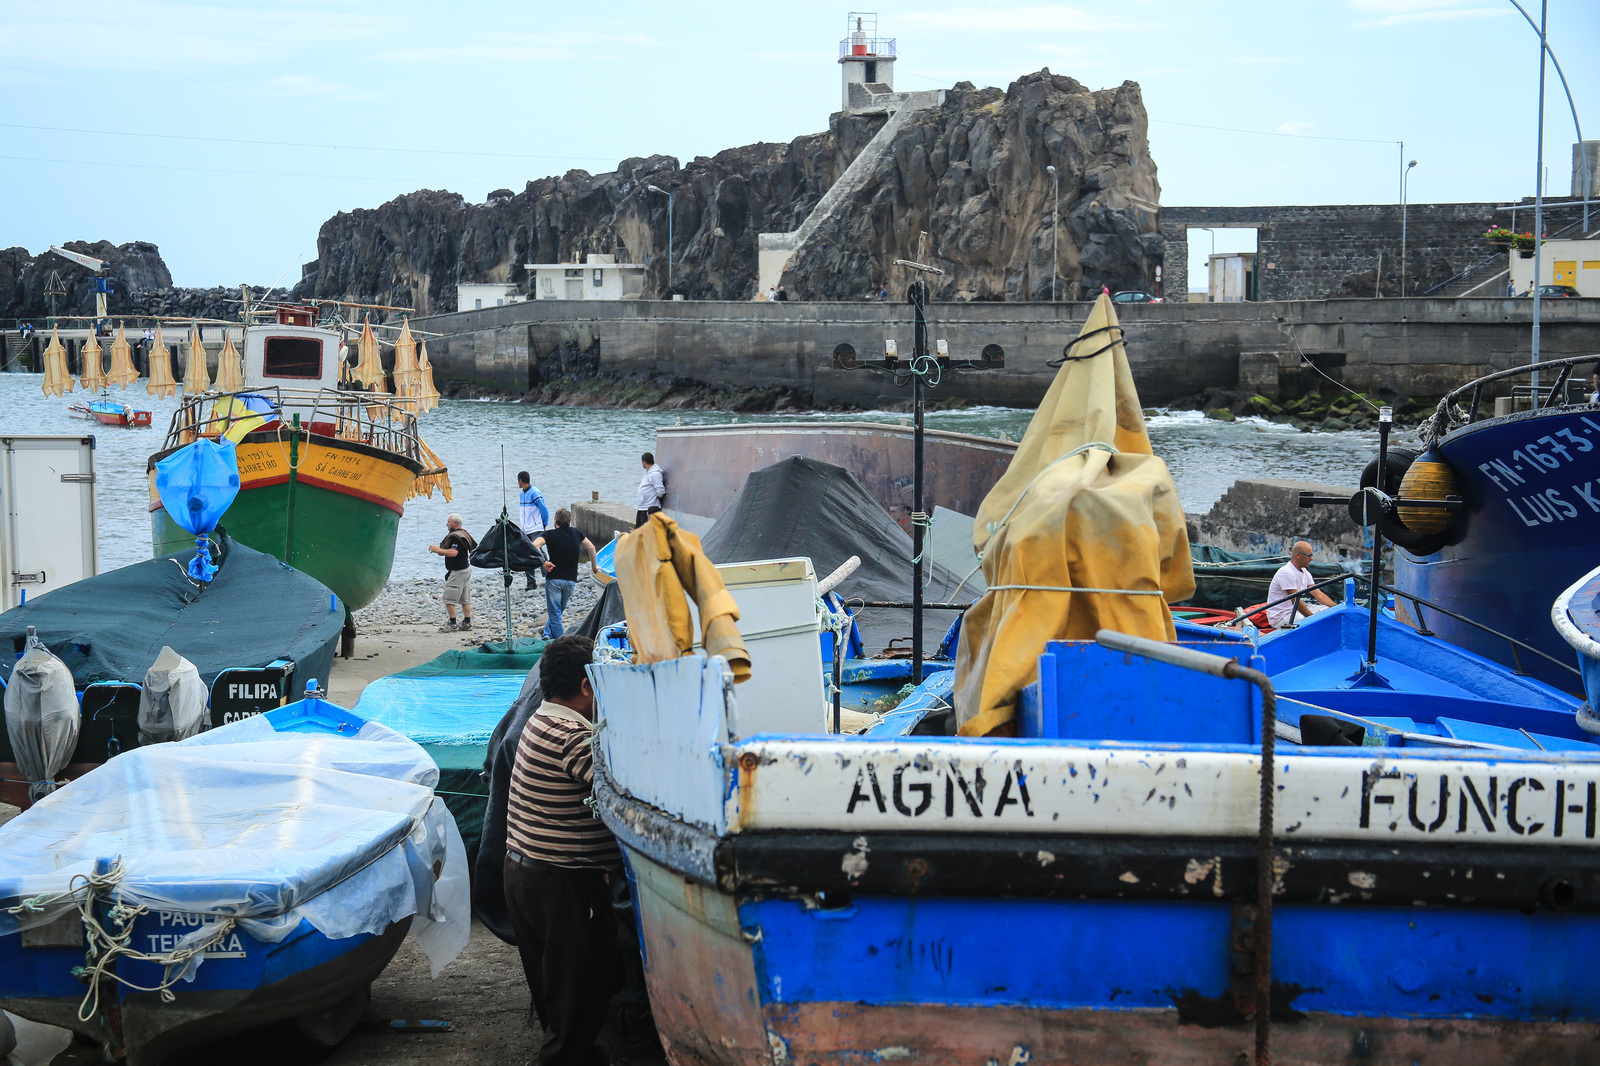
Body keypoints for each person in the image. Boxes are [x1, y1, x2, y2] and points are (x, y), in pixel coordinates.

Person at [503, 634, 621, 1066]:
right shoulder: (571, 734)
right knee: (578, 1005)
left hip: (524, 876)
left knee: (559, 1001)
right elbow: (624, 791)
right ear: (588, 686)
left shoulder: (539, 720)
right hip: (563, 886)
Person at [531, 510, 600, 640]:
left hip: (554, 580)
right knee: (557, 613)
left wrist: (543, 562)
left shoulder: (550, 534)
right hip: (570, 581)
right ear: (569, 521)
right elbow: (591, 548)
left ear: (555, 521)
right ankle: (546, 634)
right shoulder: (576, 533)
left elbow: (535, 545)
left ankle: (560, 642)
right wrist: (594, 567)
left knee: (555, 614)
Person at [1265, 541, 1335, 628]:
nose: (1311, 559)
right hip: (1281, 616)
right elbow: (1295, 601)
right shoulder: (1287, 572)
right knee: (1304, 621)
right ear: (1298, 555)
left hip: (1294, 611)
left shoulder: (1305, 572)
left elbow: (1318, 594)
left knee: (1327, 611)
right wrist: (1312, 619)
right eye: (1309, 555)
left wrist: (1337, 608)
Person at [428, 513, 477, 631]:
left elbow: (453, 553)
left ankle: (452, 623)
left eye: (448, 522)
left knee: (449, 598)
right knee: (465, 598)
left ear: (455, 523)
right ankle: (467, 622)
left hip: (458, 571)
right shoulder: (463, 533)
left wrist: (437, 550)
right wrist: (441, 551)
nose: (447, 524)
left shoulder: (456, 537)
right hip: (466, 569)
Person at [517, 471, 551, 590]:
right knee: (526, 554)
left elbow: (544, 509)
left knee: (538, 551)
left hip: (536, 528)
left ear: (520, 480)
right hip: (526, 529)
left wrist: (544, 524)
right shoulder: (522, 494)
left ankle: (548, 575)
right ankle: (531, 582)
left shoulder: (535, 493)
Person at [635, 452, 665, 527]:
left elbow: (660, 491)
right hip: (642, 507)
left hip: (649, 507)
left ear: (644, 462)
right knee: (639, 530)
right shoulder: (648, 472)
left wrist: (653, 500)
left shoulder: (655, 474)